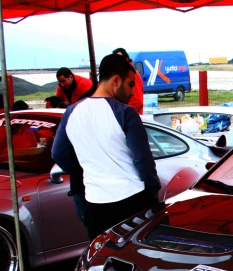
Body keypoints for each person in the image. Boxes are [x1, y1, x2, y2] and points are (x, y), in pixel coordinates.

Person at [52, 54, 160, 239]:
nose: (133, 92)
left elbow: (58, 153)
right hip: (132, 200)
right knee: (136, 259)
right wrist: (153, 188)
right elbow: (143, 159)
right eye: (131, 84)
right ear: (116, 81)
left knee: (101, 261)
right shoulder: (126, 113)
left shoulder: (71, 112)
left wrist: (86, 168)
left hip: (95, 203)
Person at [113, 48, 144, 115]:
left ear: (126, 59)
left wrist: (122, 114)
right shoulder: (123, 74)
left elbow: (137, 101)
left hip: (132, 117)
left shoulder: (132, 74)